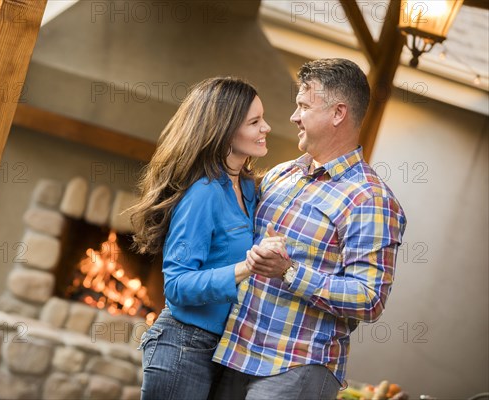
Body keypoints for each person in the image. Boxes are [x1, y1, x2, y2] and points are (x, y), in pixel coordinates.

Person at [212, 58, 407, 399]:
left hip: (297, 367)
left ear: (337, 114)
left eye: (303, 105)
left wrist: (290, 272)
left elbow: (370, 297)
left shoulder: (371, 200)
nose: (293, 116)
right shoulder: (280, 175)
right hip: (233, 354)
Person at [130, 77, 279, 400]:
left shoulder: (249, 190)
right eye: (254, 122)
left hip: (225, 350)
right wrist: (246, 268)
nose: (266, 127)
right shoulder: (204, 194)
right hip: (183, 347)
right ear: (225, 130)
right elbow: (177, 285)